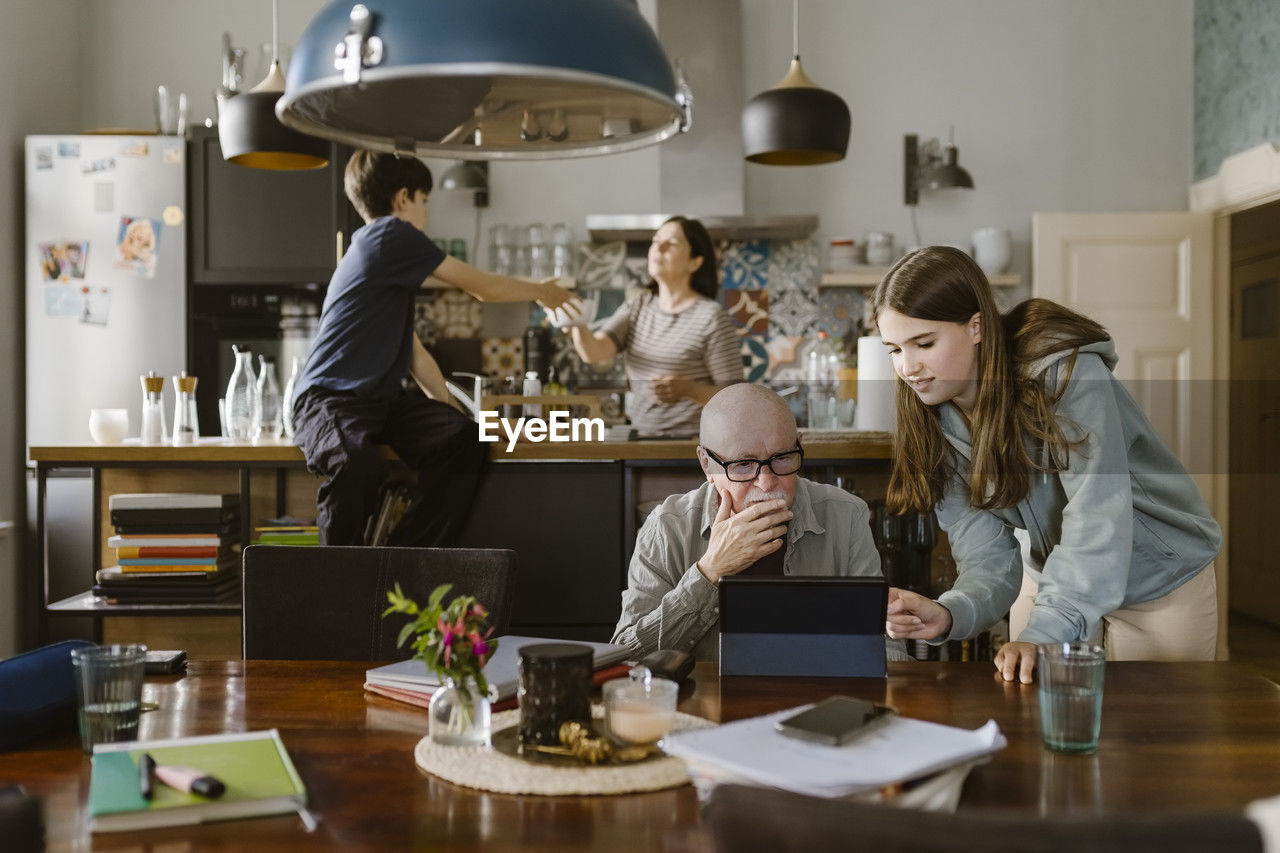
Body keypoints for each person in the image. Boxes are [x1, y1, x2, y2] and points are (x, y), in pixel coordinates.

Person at [872, 246, 1221, 683]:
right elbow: (984, 552)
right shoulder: (934, 421)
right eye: (894, 350)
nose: (908, 367)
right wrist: (949, 612)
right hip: (1060, 576)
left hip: (1156, 581)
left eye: (924, 343)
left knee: (1152, 741)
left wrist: (1044, 631)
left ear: (976, 327)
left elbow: (1098, 517)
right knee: (1038, 735)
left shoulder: (1067, 375)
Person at [291, 150, 579, 547]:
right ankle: (340, 586)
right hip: (328, 400)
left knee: (466, 444)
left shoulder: (381, 253)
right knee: (356, 465)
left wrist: (448, 411)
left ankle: (402, 561)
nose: (425, 212)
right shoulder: (391, 234)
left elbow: (412, 353)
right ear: (403, 198)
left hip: (382, 403)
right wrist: (542, 291)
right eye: (425, 201)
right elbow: (482, 287)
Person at [612, 383, 904, 661]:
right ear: (706, 464)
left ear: (799, 445)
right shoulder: (667, 527)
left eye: (782, 458)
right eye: (743, 465)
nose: (766, 482)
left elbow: (886, 645)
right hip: (703, 707)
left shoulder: (847, 515)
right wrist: (710, 572)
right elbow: (627, 657)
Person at [561, 216, 742, 437]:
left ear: (694, 262)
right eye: (656, 240)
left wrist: (689, 389)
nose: (659, 247)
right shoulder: (636, 308)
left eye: (672, 243)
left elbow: (736, 399)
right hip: (643, 443)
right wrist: (576, 323)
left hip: (696, 448)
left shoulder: (711, 317)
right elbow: (594, 352)